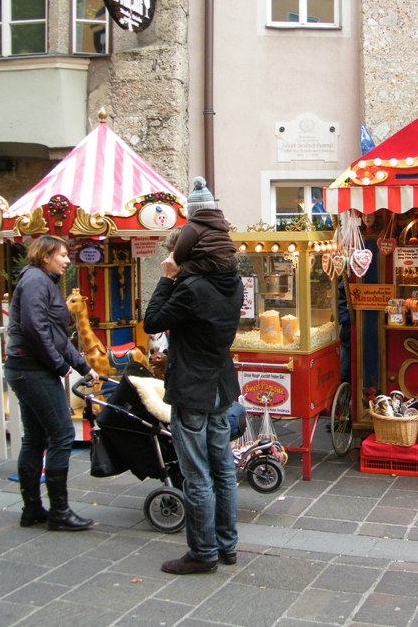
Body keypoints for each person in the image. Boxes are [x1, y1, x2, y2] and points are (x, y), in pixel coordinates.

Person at [144, 229, 244, 575]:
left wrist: (167, 279)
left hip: (193, 389)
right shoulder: (231, 282)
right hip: (220, 385)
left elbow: (152, 321)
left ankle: (203, 552)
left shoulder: (189, 288)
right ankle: (227, 546)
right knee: (223, 469)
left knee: (197, 473)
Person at [4, 235, 100, 531]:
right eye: (62, 254)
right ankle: (59, 512)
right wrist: (59, 366)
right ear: (45, 256)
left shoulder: (40, 280)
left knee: (34, 438)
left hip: (28, 368)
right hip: (33, 370)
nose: (67, 259)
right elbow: (36, 328)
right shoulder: (35, 282)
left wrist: (82, 365)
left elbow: (56, 334)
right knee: (60, 435)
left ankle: (32, 509)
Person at [170, 177, 237, 278]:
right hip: (230, 262)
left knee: (181, 268)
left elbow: (178, 255)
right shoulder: (222, 224)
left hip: (209, 264)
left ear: (191, 210)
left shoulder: (192, 227)